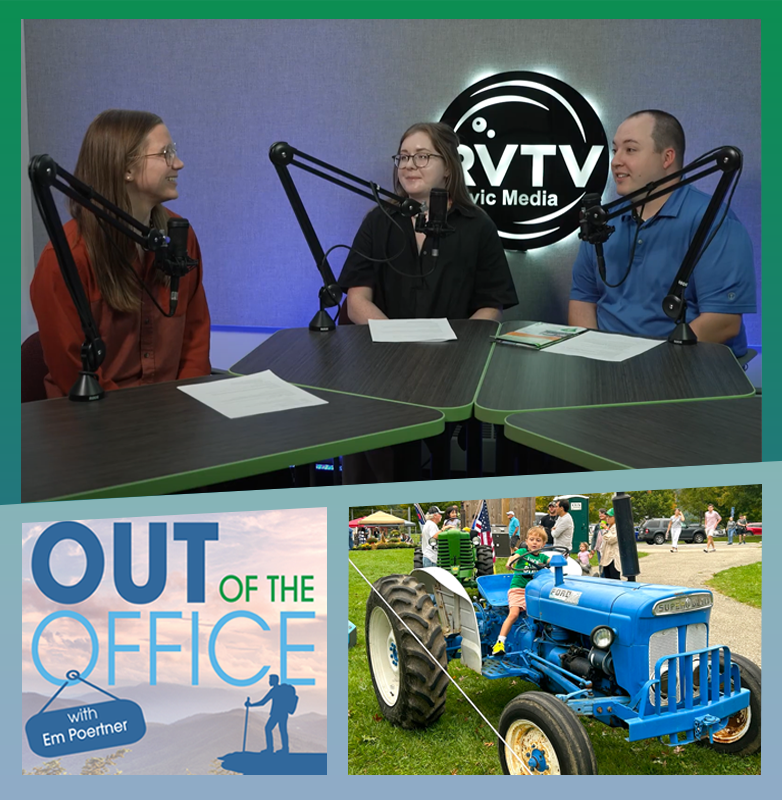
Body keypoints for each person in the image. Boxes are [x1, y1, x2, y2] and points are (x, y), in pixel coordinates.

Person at [30, 109, 211, 397]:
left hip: (175, 416)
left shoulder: (181, 238)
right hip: (97, 423)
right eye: (165, 153)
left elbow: (195, 337)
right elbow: (73, 371)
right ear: (126, 168)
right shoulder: (66, 257)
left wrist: (189, 405)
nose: (178, 163)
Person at [569, 109, 756, 358]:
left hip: (684, 370)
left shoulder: (713, 222)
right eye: (616, 150)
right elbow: (583, 299)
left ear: (667, 157)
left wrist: (649, 365)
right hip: (608, 370)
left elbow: (723, 321)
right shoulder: (602, 222)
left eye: (631, 150)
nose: (616, 161)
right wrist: (591, 359)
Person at [338, 121, 518, 323]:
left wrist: (458, 347)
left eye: (422, 156)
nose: (409, 165)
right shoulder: (378, 220)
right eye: (404, 157)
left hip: (455, 351)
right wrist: (395, 341)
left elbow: (491, 307)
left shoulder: (478, 226)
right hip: (384, 350)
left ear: (448, 166)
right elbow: (356, 302)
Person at [492, 526, 550, 656]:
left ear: (543, 544)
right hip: (518, 590)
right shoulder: (523, 552)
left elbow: (552, 562)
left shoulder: (542, 557)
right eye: (532, 539)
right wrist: (510, 562)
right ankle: (500, 642)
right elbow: (514, 556)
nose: (535, 542)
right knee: (514, 614)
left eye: (538, 540)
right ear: (527, 541)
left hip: (534, 593)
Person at [245, 674, 298, 754]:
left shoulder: (274, 690)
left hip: (276, 714)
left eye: (270, 680)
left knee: (268, 728)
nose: (269, 681)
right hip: (284, 714)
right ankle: (285, 749)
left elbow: (263, 702)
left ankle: (270, 749)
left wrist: (251, 705)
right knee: (283, 730)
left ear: (274, 681)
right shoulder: (280, 690)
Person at [600, 509, 622, 580]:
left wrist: (607, 530)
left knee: (614, 579)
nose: (607, 519)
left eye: (609, 517)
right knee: (607, 579)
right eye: (607, 517)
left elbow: (611, 540)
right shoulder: (609, 527)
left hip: (613, 558)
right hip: (606, 557)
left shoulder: (617, 527)